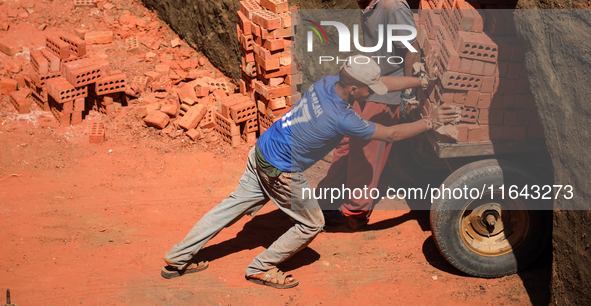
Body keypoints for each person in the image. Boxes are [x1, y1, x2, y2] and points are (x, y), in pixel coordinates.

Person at [161, 56, 458, 289]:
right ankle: (262, 267)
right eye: (368, 90)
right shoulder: (342, 118)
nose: (372, 94)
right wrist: (431, 122)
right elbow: (391, 135)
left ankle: (177, 257)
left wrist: (421, 81)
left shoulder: (328, 83)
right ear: (354, 89)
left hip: (262, 151)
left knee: (228, 209)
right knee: (311, 224)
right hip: (282, 172)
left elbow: (380, 84)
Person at [318, 0, 422, 230]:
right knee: (344, 144)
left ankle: (354, 212)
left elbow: (411, 50)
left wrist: (408, 93)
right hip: (363, 86)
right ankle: (327, 196)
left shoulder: (392, 4)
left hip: (384, 91)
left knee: (367, 153)